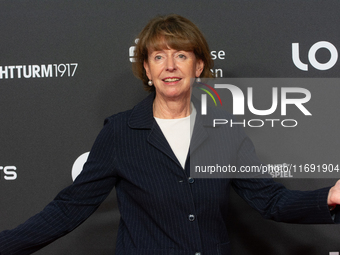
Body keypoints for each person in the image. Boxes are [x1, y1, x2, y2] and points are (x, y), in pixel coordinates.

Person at [1, 14, 340, 255]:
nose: (170, 66)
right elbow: (69, 209)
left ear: (199, 66)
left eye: (181, 55)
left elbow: (270, 200)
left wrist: (328, 197)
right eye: (158, 56)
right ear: (147, 69)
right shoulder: (121, 132)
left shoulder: (223, 130)